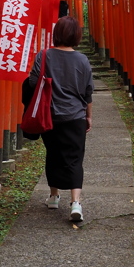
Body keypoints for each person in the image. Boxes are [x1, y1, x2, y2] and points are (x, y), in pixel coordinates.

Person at [23, 15, 93, 222]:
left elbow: (33, 82)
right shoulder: (82, 60)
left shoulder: (44, 55)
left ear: (56, 34)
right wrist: (89, 116)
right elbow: (88, 92)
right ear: (77, 35)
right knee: (74, 157)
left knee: (53, 154)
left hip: (49, 115)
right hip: (75, 116)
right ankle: (76, 203)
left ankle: (54, 196)